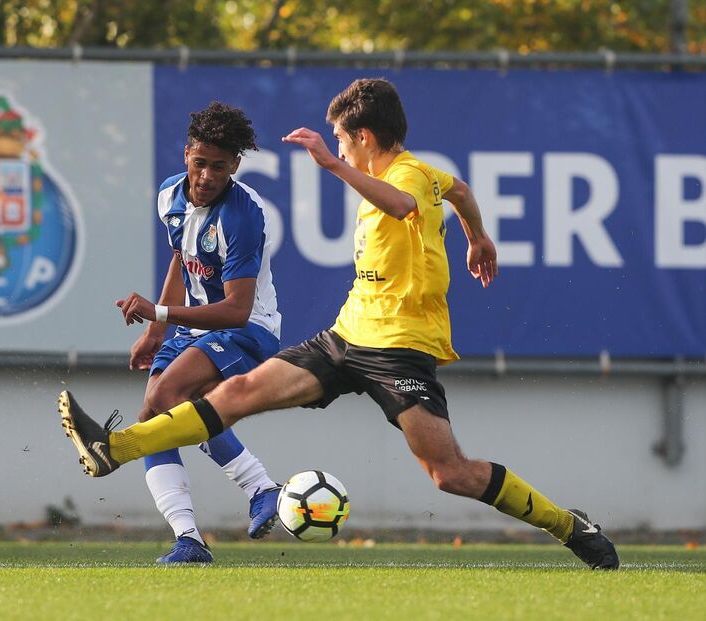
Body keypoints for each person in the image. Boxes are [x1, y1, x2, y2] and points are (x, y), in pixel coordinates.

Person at [59, 79, 619, 570]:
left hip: (399, 349)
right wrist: (477, 236)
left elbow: (404, 205)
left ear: (364, 139)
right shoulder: (425, 177)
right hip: (346, 335)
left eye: (345, 139)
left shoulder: (408, 174)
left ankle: (569, 526)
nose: (342, 147)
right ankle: (118, 447)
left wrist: (332, 164)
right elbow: (463, 191)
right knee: (237, 391)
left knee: (451, 475)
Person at [60, 102, 284, 564]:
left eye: (219, 167)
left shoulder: (243, 215)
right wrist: (158, 330)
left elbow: (238, 309)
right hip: (189, 328)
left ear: (235, 166)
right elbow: (183, 257)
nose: (206, 176)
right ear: (186, 156)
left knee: (166, 400)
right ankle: (189, 539)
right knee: (154, 419)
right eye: (200, 163)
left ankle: (260, 485)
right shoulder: (169, 197)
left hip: (246, 330)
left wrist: (158, 310)